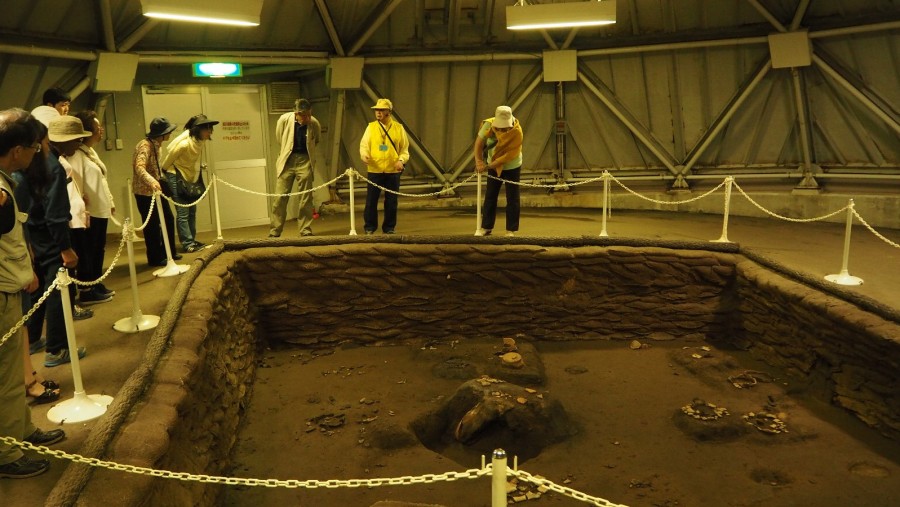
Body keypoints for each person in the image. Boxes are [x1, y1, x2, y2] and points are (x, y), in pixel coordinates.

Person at [0, 108, 67, 479]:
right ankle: (7, 454)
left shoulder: (6, 182)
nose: (35, 154)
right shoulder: (1, 191)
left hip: (10, 288)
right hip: (1, 293)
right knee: (6, 377)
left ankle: (21, 434)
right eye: (32, 148)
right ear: (16, 151)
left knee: (10, 371)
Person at [18, 115, 90, 368]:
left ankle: (35, 337)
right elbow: (56, 213)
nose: (79, 145)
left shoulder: (29, 162)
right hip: (50, 235)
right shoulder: (53, 165)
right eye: (78, 141)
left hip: (32, 234)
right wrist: (66, 248)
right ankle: (57, 349)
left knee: (38, 287)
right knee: (60, 289)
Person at [69, 110, 115, 303]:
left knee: (98, 248)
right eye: (97, 128)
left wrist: (110, 202)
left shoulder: (89, 151)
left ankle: (96, 282)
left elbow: (101, 179)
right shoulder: (76, 155)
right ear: (87, 132)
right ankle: (87, 289)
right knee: (88, 250)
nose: (101, 130)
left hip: (100, 209)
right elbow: (74, 182)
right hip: (89, 213)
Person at [160, 114, 218, 253]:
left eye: (211, 129)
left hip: (188, 176)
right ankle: (187, 243)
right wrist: (164, 178)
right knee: (183, 211)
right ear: (198, 130)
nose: (210, 132)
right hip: (175, 175)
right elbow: (166, 163)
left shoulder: (199, 142)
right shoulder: (184, 143)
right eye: (207, 129)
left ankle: (191, 239)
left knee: (192, 210)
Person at [269, 98, 321, 237]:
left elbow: (316, 139)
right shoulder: (284, 120)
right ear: (296, 113)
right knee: (280, 197)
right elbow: (279, 138)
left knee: (306, 197)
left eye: (309, 114)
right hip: (287, 160)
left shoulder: (314, 123)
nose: (307, 118)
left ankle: (305, 229)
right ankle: (275, 230)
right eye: (304, 115)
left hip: (305, 159)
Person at [132, 117, 181, 267]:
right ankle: (154, 258)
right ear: (162, 133)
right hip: (145, 192)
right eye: (169, 131)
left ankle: (169, 252)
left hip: (157, 190)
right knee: (152, 225)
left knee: (167, 219)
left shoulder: (157, 145)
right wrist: (152, 181)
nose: (170, 134)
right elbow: (139, 166)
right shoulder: (145, 146)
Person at [359, 98, 409, 235]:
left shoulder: (399, 128)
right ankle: (369, 227)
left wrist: (401, 161)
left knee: (391, 202)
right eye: (376, 110)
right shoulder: (371, 127)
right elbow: (364, 145)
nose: (378, 112)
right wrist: (364, 155)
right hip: (375, 170)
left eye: (381, 110)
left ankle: (389, 228)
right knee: (371, 201)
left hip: (393, 171)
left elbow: (405, 150)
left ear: (389, 112)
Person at [473, 105, 523, 237]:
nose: (502, 129)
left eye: (504, 127)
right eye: (500, 127)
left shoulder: (516, 131)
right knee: (490, 196)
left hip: (512, 166)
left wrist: (487, 167)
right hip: (493, 166)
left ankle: (510, 230)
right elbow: (479, 143)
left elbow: (507, 156)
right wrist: (478, 161)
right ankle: (486, 227)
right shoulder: (489, 125)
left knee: (512, 198)